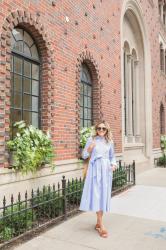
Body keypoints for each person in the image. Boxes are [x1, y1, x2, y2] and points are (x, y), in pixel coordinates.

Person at [79, 120, 117, 238]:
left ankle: (98, 222)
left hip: (106, 171)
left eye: (103, 128)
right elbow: (84, 155)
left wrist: (114, 165)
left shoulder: (109, 142)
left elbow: (112, 157)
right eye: (99, 128)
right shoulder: (92, 140)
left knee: (103, 195)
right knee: (97, 195)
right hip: (94, 170)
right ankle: (101, 225)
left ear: (106, 130)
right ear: (96, 129)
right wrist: (89, 149)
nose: (101, 130)